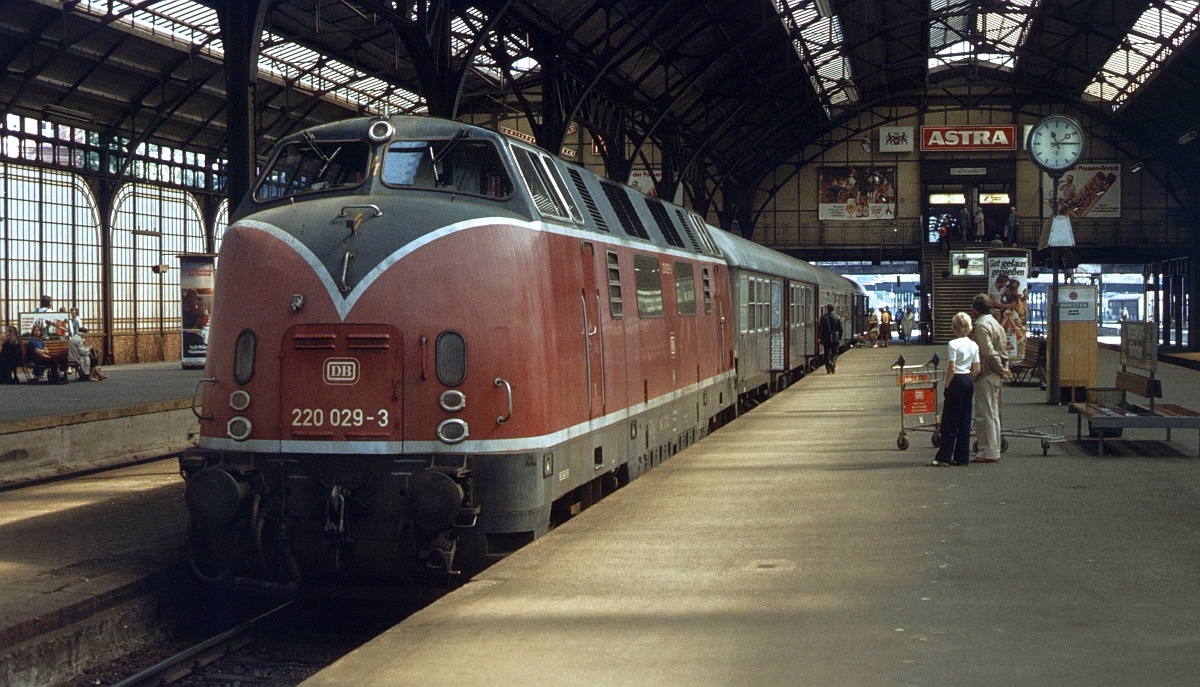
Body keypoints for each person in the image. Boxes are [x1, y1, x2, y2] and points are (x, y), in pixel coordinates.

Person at [928, 312, 980, 467]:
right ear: (969, 327)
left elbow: (951, 368)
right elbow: (977, 369)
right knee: (965, 419)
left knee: (949, 420)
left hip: (956, 379)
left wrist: (947, 385)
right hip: (968, 380)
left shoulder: (953, 344)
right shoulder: (974, 345)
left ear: (954, 328)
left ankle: (944, 457)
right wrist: (970, 379)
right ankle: (962, 457)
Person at [972, 293, 1012, 463]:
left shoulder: (981, 326)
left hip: (987, 373)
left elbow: (987, 352)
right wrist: (1004, 368)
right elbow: (1002, 349)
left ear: (975, 309)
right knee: (993, 412)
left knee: (984, 412)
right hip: (995, 373)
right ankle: (994, 449)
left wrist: (1001, 369)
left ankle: (987, 452)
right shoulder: (996, 323)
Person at [818, 304, 842, 374]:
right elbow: (841, 328)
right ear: (833, 309)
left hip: (826, 337)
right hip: (835, 337)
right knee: (835, 352)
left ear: (827, 309)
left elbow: (821, 328)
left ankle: (828, 368)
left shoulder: (823, 318)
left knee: (826, 353)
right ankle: (833, 362)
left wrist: (819, 337)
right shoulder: (837, 317)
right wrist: (839, 337)